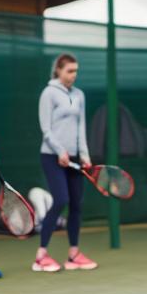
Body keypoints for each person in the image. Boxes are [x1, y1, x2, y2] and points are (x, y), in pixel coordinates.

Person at [33, 53, 96, 272]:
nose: (73, 75)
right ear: (58, 70)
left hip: (75, 159)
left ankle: (74, 254)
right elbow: (46, 129)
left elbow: (81, 127)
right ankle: (41, 256)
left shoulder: (79, 95)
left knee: (76, 205)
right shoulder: (48, 93)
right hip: (52, 157)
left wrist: (84, 155)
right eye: (69, 71)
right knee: (61, 200)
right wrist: (60, 151)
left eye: (76, 71)